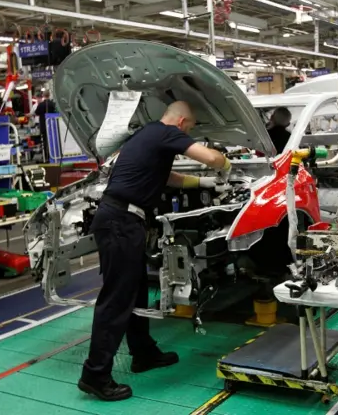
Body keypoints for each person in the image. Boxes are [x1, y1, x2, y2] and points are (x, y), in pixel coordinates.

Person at [78, 100, 232, 401]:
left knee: (135, 293)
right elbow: (210, 157)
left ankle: (143, 353)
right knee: (116, 300)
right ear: (181, 122)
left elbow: (167, 178)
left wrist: (205, 182)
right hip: (121, 222)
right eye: (190, 128)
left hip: (122, 221)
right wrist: (225, 166)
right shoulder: (166, 132)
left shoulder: (148, 135)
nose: (188, 133)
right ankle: (94, 375)